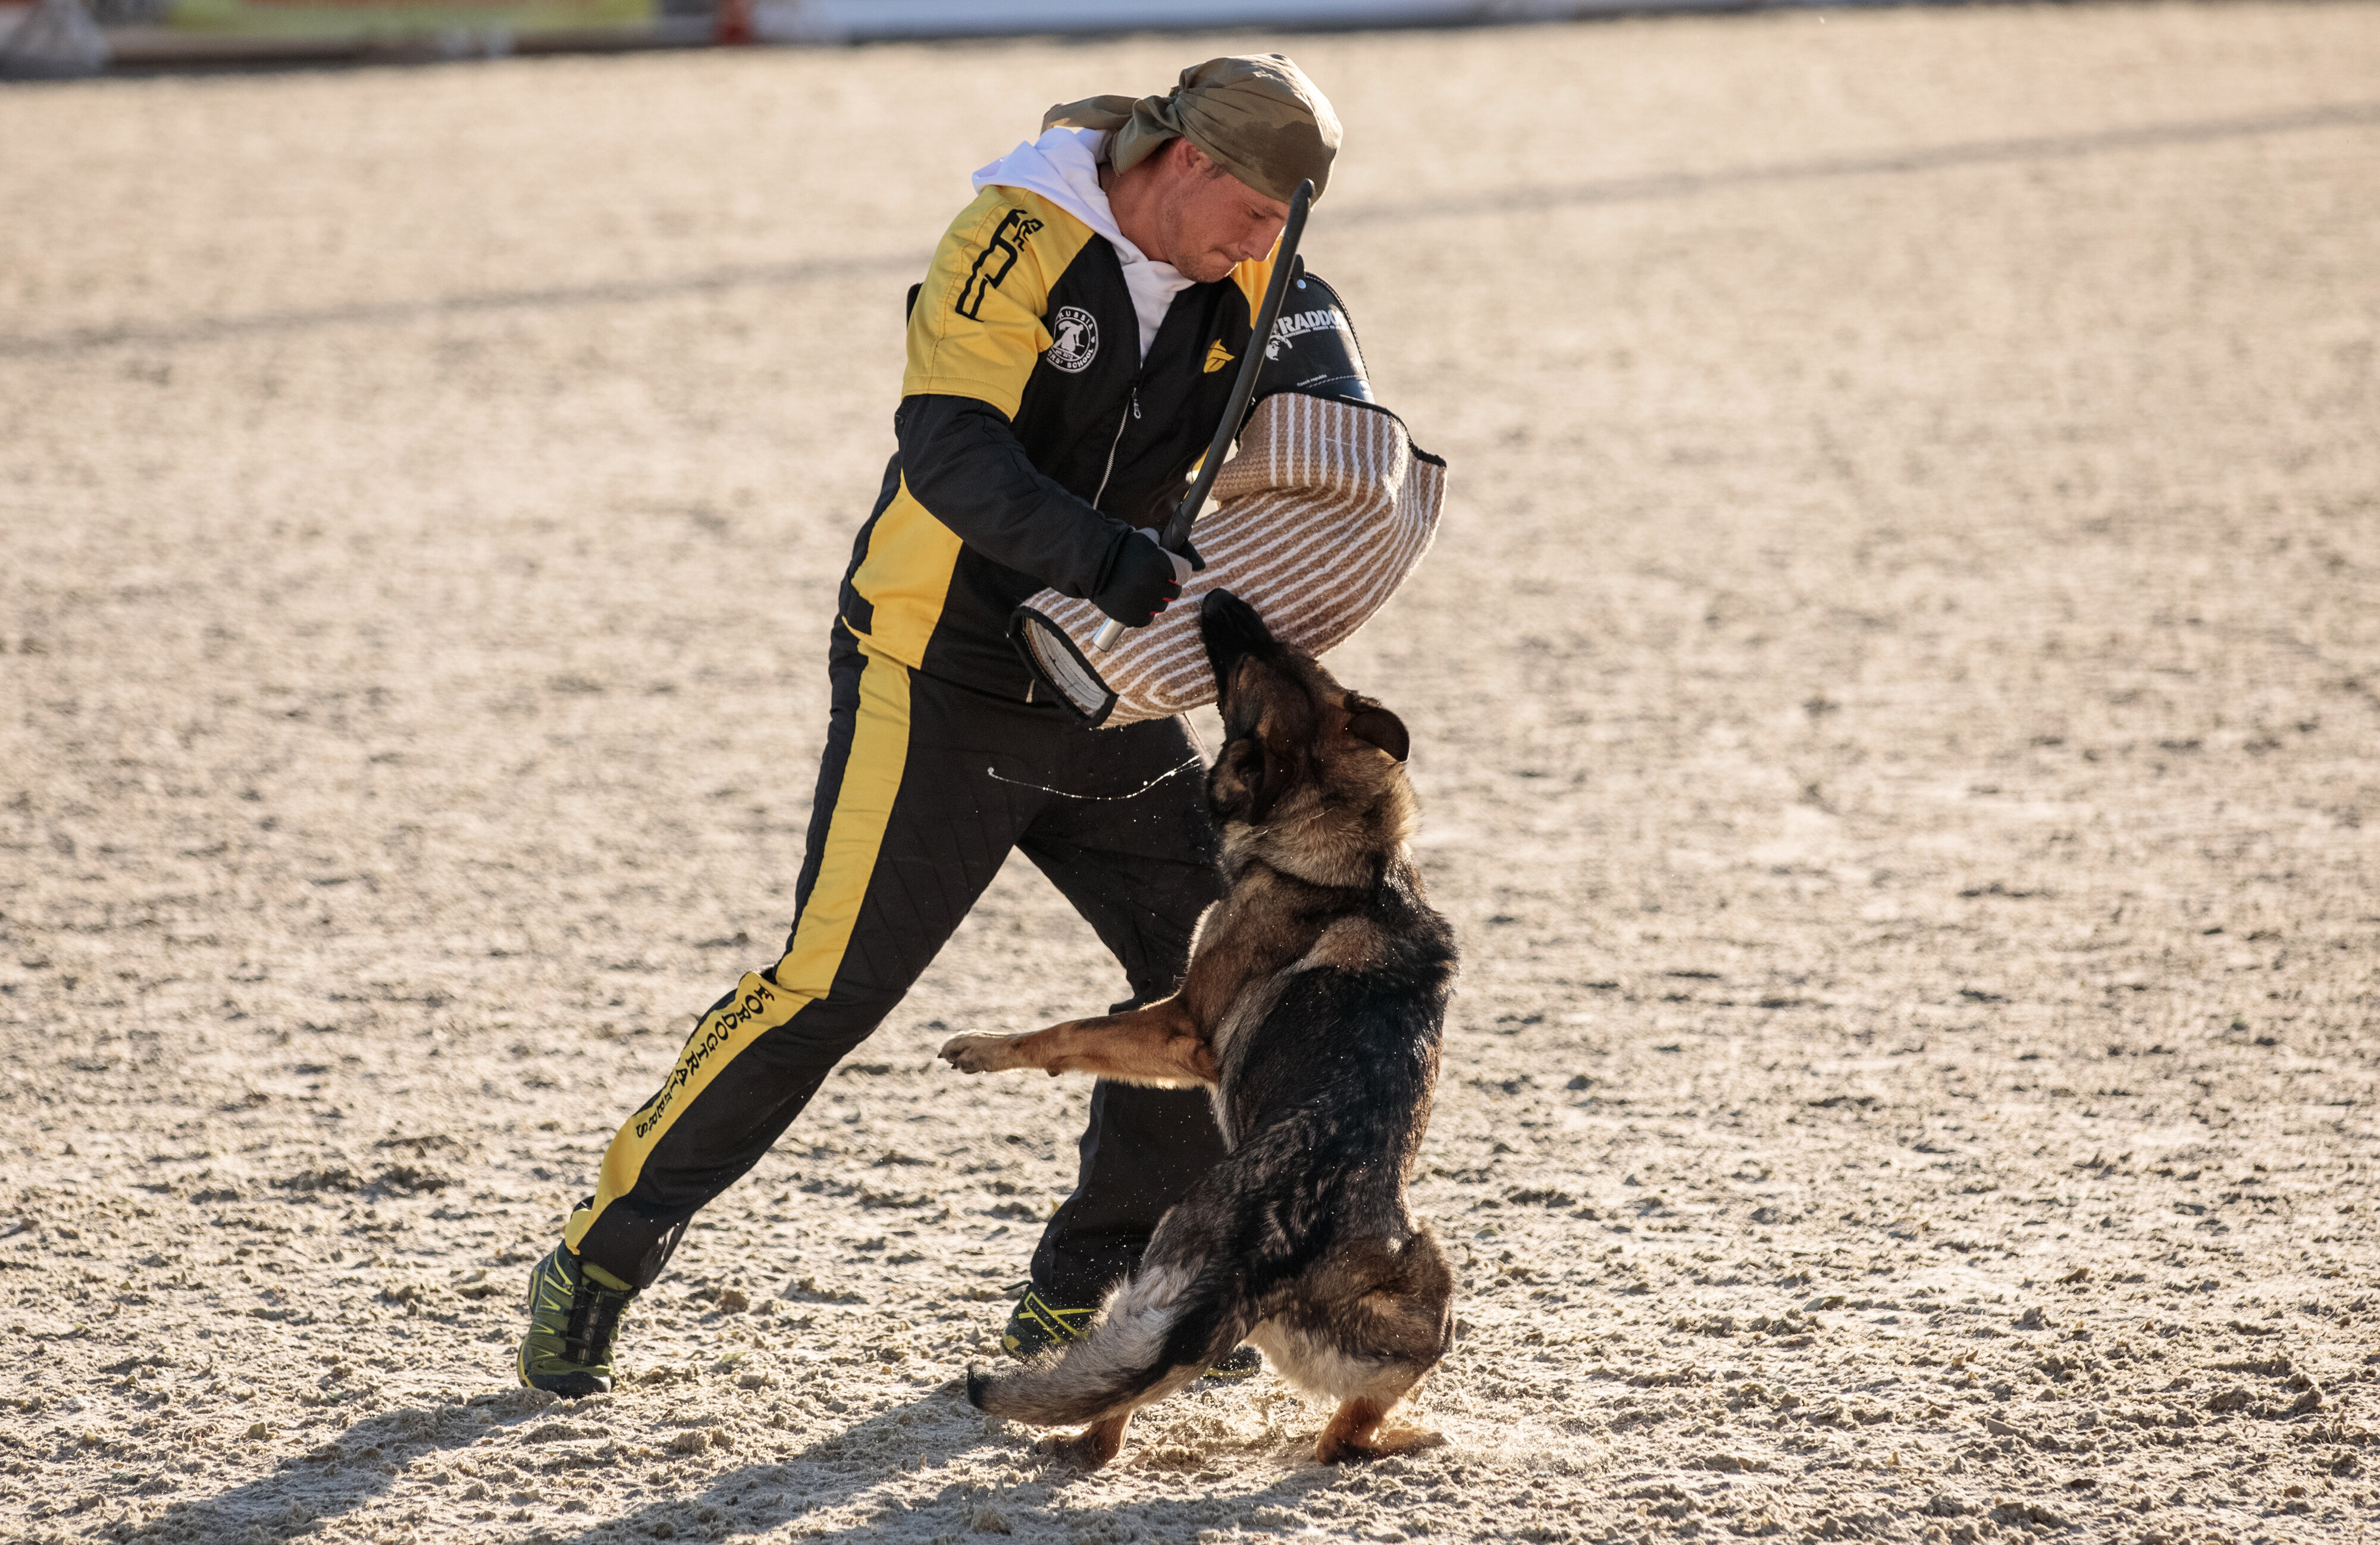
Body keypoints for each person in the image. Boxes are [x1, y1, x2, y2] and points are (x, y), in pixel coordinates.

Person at [516, 54, 1346, 1396]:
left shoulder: (1250, 262)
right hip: (938, 674)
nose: (1265, 249)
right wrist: (1097, 557)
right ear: (1185, 164)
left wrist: (1360, 447)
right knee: (826, 990)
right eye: (1255, 215)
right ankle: (601, 1252)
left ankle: (1083, 1292)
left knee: (1220, 978)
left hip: (1103, 685)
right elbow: (949, 449)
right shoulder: (1013, 234)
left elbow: (1323, 396)